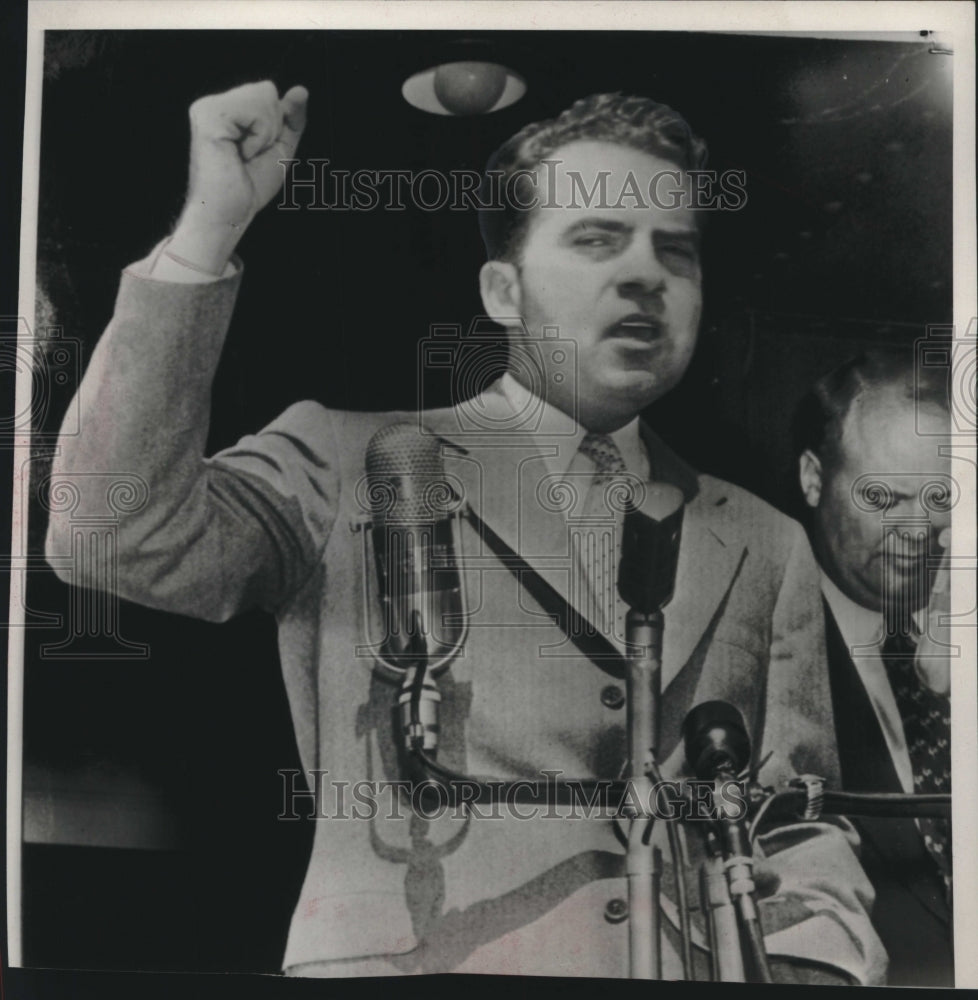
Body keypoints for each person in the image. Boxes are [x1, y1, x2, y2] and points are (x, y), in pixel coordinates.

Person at [44, 81, 885, 982]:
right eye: (598, 239)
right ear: (503, 291)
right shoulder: (351, 456)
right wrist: (207, 231)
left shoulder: (763, 537)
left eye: (675, 251)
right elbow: (113, 530)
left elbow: (796, 817)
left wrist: (819, 965)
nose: (647, 273)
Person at [794, 350, 953, 986]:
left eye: (942, 495)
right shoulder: (773, 646)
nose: (920, 528)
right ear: (813, 478)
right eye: (884, 496)